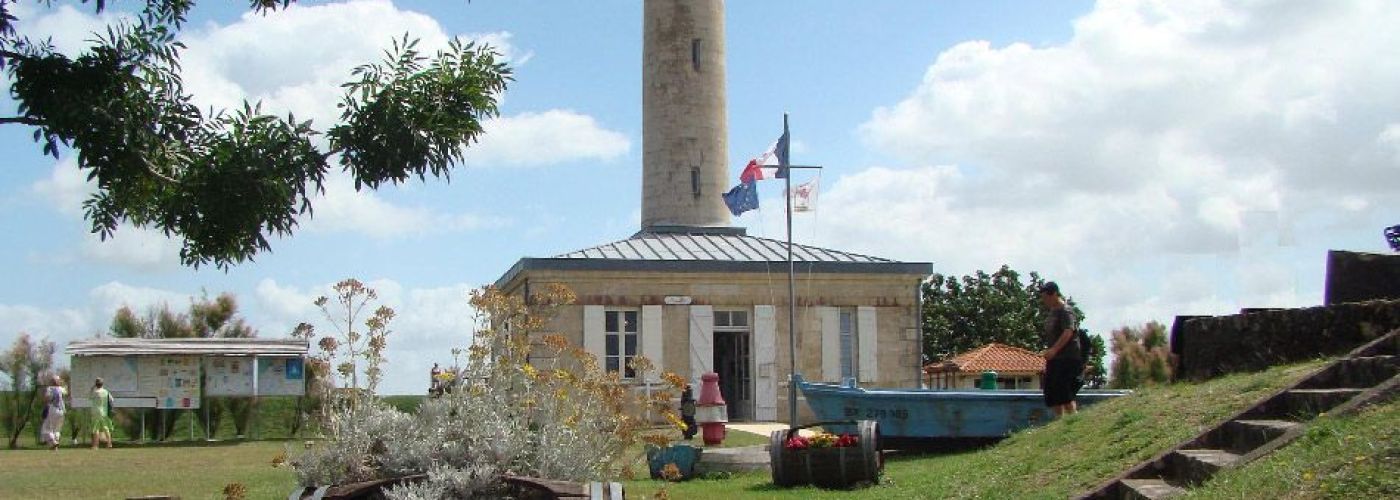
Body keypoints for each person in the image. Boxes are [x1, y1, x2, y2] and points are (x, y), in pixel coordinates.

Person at [1038, 281, 1084, 417]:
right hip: (1055, 359)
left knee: (1064, 393)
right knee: (1052, 392)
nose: (1044, 300)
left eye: (1046, 297)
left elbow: (1068, 331)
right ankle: (1060, 422)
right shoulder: (1053, 312)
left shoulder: (1066, 311)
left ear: (1055, 294)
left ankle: (1073, 419)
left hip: (1067, 357)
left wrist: (1054, 350)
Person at [40, 374, 67, 450]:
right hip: (62, 410)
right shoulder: (62, 389)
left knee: (47, 428)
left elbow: (46, 399)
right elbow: (66, 393)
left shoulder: (50, 389)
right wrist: (62, 383)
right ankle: (55, 446)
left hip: (53, 408)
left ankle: (54, 442)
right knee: (57, 429)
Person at [90, 377, 115, 449]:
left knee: (95, 429)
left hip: (96, 412)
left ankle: (95, 445)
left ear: (96, 384)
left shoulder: (95, 392)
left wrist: (92, 388)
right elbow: (111, 400)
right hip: (104, 412)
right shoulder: (106, 392)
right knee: (106, 428)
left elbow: (89, 396)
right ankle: (109, 444)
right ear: (102, 384)